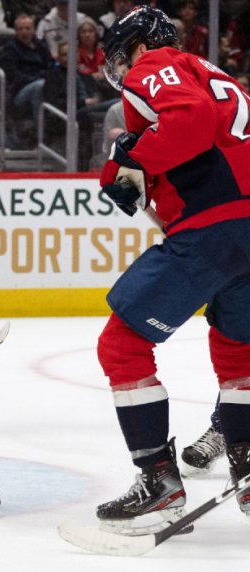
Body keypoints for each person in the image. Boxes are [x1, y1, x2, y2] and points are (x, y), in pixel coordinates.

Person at [94, 5, 250, 526]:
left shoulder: (155, 65)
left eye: (120, 59)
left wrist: (131, 157)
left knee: (121, 344)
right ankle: (249, 474)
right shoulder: (218, 76)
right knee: (238, 353)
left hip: (216, 226)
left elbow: (191, 126)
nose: (122, 73)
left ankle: (158, 481)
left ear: (139, 46)